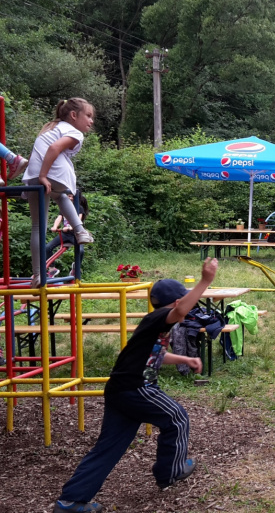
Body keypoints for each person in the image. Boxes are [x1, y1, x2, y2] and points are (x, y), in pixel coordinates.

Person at [52, 258, 218, 513]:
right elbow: (182, 311)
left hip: (120, 389)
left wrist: (183, 358)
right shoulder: (163, 316)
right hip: (136, 388)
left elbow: (153, 355)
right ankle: (171, 471)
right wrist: (206, 280)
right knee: (177, 418)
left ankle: (71, 501)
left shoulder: (152, 323)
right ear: (174, 303)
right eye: (181, 301)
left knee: (108, 447)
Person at [23, 98, 96, 289]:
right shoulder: (73, 131)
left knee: (38, 227)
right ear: (73, 116)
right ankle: (80, 231)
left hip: (33, 176)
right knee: (62, 194)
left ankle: (38, 275)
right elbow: (54, 149)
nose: (91, 121)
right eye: (88, 116)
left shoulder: (51, 130)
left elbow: (35, 155)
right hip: (51, 174)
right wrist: (44, 176)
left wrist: (33, 175)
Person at [45, 194, 88, 260]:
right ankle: (52, 268)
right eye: (68, 196)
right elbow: (59, 218)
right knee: (47, 247)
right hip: (65, 234)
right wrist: (55, 226)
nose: (69, 198)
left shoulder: (79, 208)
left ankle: (76, 267)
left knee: (80, 251)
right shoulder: (64, 207)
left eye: (71, 196)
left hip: (76, 234)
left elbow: (78, 220)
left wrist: (70, 227)